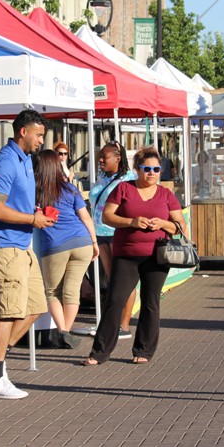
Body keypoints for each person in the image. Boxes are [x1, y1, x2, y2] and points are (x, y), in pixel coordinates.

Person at [0, 109, 55, 400]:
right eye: (39, 135)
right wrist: (32, 220)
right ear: (23, 132)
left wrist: (32, 213)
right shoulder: (6, 161)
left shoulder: (25, 159)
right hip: (4, 246)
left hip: (21, 245)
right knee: (8, 312)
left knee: (36, 305)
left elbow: (14, 204)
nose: (41, 141)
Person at [83, 146, 185, 366]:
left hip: (157, 256)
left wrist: (164, 223)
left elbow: (180, 226)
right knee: (114, 301)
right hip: (126, 254)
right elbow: (107, 216)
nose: (151, 173)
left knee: (151, 302)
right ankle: (99, 352)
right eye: (146, 168)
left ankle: (144, 350)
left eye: (156, 169)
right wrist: (131, 222)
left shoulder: (166, 194)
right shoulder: (123, 189)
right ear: (137, 169)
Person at [33, 149, 98, 348]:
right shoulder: (70, 189)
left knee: (53, 291)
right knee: (72, 292)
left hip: (55, 246)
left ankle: (62, 330)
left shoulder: (36, 191)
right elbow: (85, 217)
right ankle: (67, 332)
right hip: (82, 242)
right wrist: (94, 242)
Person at [88, 141, 138, 339]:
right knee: (111, 280)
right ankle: (112, 322)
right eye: (100, 156)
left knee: (125, 281)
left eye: (104, 157)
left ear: (118, 159)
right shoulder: (102, 176)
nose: (100, 160)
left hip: (118, 232)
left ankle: (124, 325)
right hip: (100, 232)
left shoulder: (129, 179)